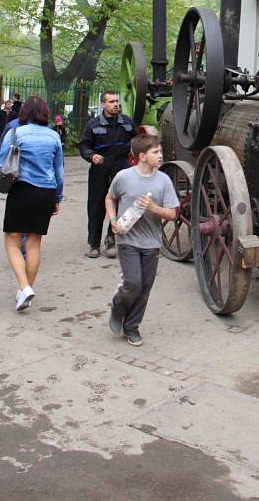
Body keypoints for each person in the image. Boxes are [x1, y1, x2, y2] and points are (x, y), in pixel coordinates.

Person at [105, 133, 178, 346]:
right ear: (142, 156)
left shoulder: (163, 181)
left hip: (152, 242)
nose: (160, 155)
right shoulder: (124, 177)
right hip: (127, 239)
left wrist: (154, 209)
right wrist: (112, 219)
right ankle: (118, 308)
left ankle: (132, 327)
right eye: (156, 152)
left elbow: (173, 214)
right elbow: (110, 198)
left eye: (160, 151)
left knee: (145, 287)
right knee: (133, 283)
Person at [0, 96, 63, 311]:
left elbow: (2, 163)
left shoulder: (15, 133)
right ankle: (24, 290)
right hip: (46, 193)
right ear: (45, 113)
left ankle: (24, 287)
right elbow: (59, 172)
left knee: (12, 242)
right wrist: (57, 198)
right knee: (34, 244)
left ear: (24, 112)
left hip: (22, 191)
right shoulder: (54, 136)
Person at [79, 91, 136, 259]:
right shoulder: (93, 124)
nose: (115, 104)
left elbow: (138, 141)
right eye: (111, 101)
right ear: (103, 104)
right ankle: (94, 244)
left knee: (119, 205)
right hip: (100, 169)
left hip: (121, 168)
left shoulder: (127, 122)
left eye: (117, 101)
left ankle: (111, 240)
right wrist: (91, 155)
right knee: (96, 207)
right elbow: (84, 145)